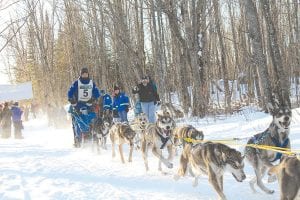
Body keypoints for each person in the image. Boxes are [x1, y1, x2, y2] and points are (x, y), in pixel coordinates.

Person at [67, 67, 100, 146]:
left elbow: (97, 93)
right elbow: (70, 92)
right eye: (83, 74)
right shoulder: (77, 83)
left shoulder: (91, 83)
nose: (85, 75)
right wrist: (72, 100)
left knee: (91, 121)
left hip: (89, 105)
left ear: (88, 74)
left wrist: (93, 99)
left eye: (86, 74)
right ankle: (78, 139)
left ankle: (92, 137)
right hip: (78, 105)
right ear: (81, 74)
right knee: (77, 122)